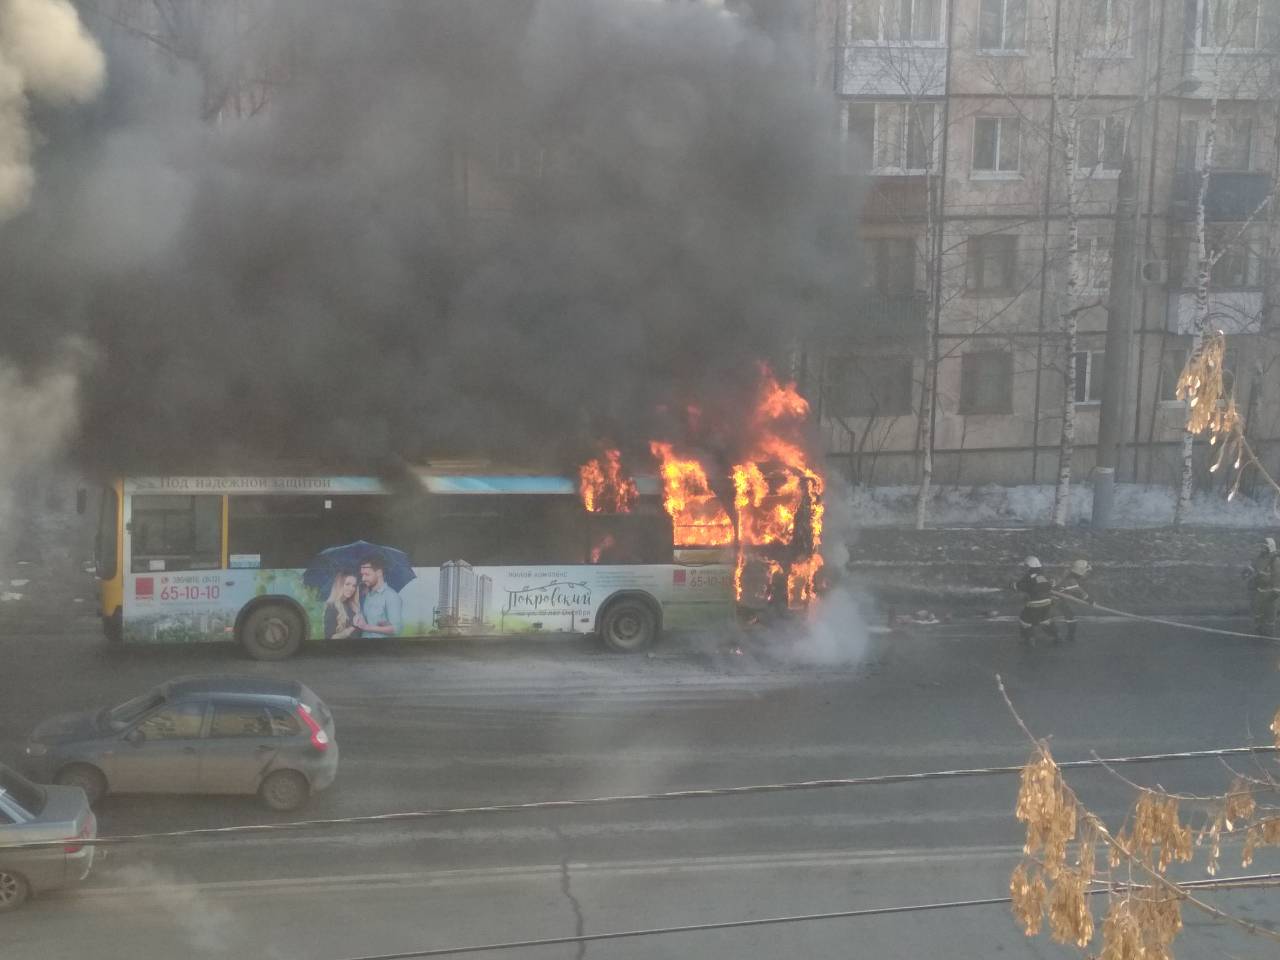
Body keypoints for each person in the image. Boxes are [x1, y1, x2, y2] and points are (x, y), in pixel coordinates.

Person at [354, 553, 403, 638]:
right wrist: (359, 617)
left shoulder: (391, 596)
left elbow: (397, 629)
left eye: (367, 574)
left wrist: (367, 627)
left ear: (379, 573)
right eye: (362, 575)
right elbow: (368, 619)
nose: (363, 578)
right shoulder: (368, 594)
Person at [1013, 556, 1058, 645]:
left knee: (1024, 620)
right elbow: (1050, 585)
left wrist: (1013, 585)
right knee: (1045, 620)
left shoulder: (1028, 576)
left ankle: (1030, 640)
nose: (1024, 568)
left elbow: (1022, 587)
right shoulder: (1042, 575)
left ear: (1029, 566)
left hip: (1034, 604)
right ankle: (1056, 636)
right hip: (1047, 602)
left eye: (1025, 566)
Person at [1249, 538, 1279, 638]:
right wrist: (1247, 572)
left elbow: (1277, 575)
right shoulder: (1259, 558)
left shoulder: (1275, 559)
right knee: (1258, 613)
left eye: (1264, 546)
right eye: (1261, 546)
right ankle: (1259, 633)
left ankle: (1269, 636)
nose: (1262, 548)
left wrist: (1276, 589)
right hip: (1260, 590)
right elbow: (1253, 568)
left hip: (1271, 591)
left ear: (1269, 547)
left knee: (1270, 614)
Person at [1056, 559, 1092, 642]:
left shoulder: (1071, 577)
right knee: (1067, 614)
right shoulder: (1071, 579)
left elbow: (1074, 589)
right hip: (1055, 599)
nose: (1087, 574)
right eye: (1087, 572)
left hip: (1061, 598)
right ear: (1081, 571)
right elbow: (1078, 590)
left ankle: (1069, 636)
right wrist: (1089, 599)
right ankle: (1061, 636)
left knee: (1069, 615)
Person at [323, 570, 361, 640]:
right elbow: (329, 638)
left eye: (354, 586)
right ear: (339, 585)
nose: (351, 588)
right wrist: (353, 627)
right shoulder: (331, 607)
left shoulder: (353, 605)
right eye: (347, 584)